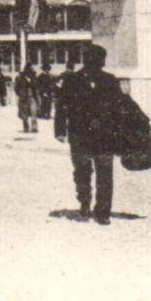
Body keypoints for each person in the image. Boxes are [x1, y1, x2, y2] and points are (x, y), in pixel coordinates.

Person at [54, 43, 120, 223]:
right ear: (88, 61)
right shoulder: (71, 80)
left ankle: (103, 212)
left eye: (101, 61)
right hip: (79, 134)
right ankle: (84, 204)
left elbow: (119, 109)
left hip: (105, 135)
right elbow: (61, 107)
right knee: (82, 172)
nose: (101, 65)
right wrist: (59, 130)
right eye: (98, 61)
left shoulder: (110, 81)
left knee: (105, 173)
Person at [15, 62, 39, 133]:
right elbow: (16, 88)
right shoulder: (20, 78)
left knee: (34, 112)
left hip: (32, 97)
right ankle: (26, 127)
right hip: (24, 98)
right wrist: (20, 94)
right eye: (30, 68)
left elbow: (35, 87)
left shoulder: (34, 78)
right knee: (25, 113)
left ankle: (34, 127)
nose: (31, 70)